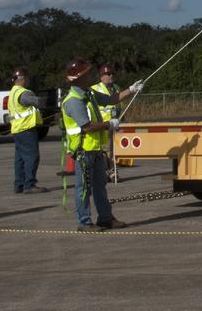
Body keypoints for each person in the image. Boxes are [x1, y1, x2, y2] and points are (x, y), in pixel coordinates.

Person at [60, 57, 142, 231]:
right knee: (83, 189)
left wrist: (131, 90)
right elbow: (87, 126)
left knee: (100, 186)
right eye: (87, 73)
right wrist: (109, 124)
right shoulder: (74, 100)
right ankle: (84, 222)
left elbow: (110, 99)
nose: (90, 75)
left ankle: (105, 218)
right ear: (80, 77)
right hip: (83, 150)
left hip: (95, 148)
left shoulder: (88, 93)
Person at [8, 68, 48, 194]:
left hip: (17, 129)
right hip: (26, 129)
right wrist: (48, 100)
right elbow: (38, 102)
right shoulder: (24, 93)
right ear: (23, 78)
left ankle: (19, 184)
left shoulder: (12, 92)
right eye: (27, 78)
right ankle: (29, 184)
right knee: (32, 157)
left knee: (20, 159)